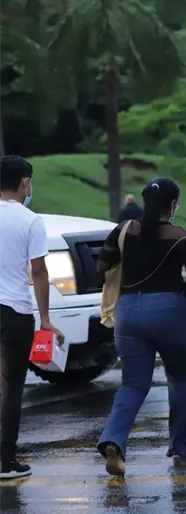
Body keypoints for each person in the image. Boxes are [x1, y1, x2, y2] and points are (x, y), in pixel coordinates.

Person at [95, 178, 186, 477]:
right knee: (179, 378)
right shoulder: (178, 237)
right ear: (172, 205)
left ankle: (114, 440)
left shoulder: (123, 230)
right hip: (169, 311)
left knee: (133, 383)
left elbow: (102, 266)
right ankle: (182, 447)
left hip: (128, 312)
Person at [0, 155, 64, 479]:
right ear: (25, 182)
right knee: (10, 387)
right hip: (14, 312)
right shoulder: (29, 220)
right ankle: (5, 460)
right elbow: (38, 271)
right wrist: (46, 319)